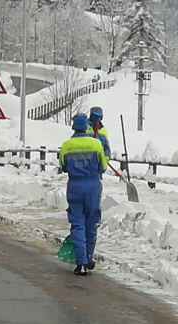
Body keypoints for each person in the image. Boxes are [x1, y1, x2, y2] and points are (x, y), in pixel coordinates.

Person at [59, 114, 108, 276]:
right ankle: (88, 258)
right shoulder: (96, 144)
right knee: (91, 223)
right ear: (86, 126)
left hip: (75, 186)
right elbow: (103, 166)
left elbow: (63, 166)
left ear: (74, 127)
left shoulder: (66, 146)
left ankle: (80, 263)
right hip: (93, 186)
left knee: (77, 223)